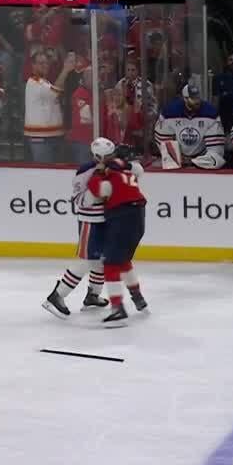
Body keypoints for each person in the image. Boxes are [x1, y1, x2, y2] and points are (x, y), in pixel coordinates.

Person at [42, 137, 143, 319]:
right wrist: (97, 190)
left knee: (103, 260)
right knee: (86, 260)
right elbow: (79, 199)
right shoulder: (86, 171)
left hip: (108, 220)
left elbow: (138, 171)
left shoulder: (115, 165)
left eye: (113, 154)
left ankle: (92, 295)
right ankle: (57, 296)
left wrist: (127, 163)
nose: (112, 157)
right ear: (97, 157)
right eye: (108, 155)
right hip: (90, 222)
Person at [85, 138, 150, 327]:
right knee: (122, 260)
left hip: (122, 216)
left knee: (111, 263)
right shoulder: (126, 167)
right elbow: (137, 170)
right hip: (138, 215)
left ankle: (117, 308)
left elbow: (101, 191)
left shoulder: (107, 173)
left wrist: (97, 174)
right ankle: (138, 298)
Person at [153, 84, 226, 169]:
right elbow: (164, 142)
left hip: (203, 158)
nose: (197, 101)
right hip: (177, 160)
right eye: (193, 98)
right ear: (185, 98)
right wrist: (178, 158)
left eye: (197, 97)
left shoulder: (211, 113)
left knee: (216, 160)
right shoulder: (169, 112)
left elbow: (215, 150)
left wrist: (195, 161)